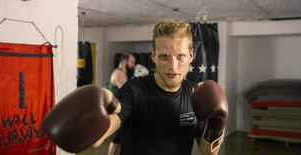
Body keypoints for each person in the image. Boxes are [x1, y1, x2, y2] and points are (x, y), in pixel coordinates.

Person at [42, 19, 228, 155]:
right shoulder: (133, 91)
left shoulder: (195, 94)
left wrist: (217, 125)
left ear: (190, 56)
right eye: (164, 57)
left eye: (180, 56)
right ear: (153, 56)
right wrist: (87, 125)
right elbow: (103, 133)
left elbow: (208, 152)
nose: (173, 66)